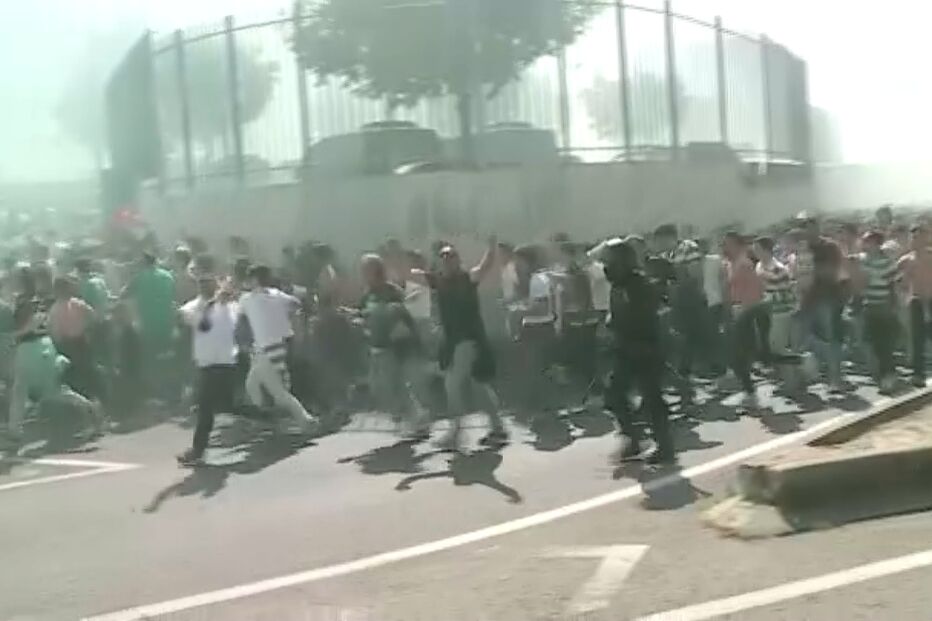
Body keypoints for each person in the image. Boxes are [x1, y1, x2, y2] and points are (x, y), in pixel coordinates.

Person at [418, 237, 506, 451]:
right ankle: (497, 428)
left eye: (451, 257)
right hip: (453, 341)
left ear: (458, 260)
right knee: (477, 385)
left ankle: (457, 433)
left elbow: (485, 266)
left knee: (453, 384)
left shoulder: (468, 278)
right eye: (444, 258)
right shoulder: (438, 281)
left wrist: (491, 248)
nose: (448, 260)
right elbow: (414, 274)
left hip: (468, 339)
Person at [603, 239, 674, 464]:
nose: (606, 266)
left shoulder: (640, 285)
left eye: (610, 261)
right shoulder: (617, 286)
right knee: (614, 395)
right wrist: (611, 323)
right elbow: (616, 314)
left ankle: (665, 447)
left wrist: (621, 325)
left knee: (652, 398)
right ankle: (632, 439)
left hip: (645, 349)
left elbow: (644, 316)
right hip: (624, 349)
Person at [5, 299, 103, 443]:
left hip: (31, 351)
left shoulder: (35, 318)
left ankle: (14, 430)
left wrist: (14, 337)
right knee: (56, 390)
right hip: (46, 349)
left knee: (21, 391)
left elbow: (21, 334)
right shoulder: (41, 317)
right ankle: (91, 411)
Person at [237, 265, 318, 434]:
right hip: (277, 346)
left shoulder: (247, 299)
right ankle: (265, 418)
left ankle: (305, 419)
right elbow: (297, 303)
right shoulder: (277, 294)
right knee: (252, 384)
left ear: (254, 280)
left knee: (277, 391)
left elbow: (237, 314)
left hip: (265, 349)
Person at [359, 254, 431, 439]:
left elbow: (403, 314)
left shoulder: (390, 290)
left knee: (394, 385)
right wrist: (357, 317)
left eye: (366, 270)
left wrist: (414, 338)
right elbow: (364, 314)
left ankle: (416, 419)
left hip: (392, 345)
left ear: (376, 270)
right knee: (381, 386)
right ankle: (414, 417)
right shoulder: (368, 293)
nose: (363, 273)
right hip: (376, 344)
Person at [176, 274, 240, 466]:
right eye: (203, 284)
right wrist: (212, 304)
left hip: (229, 361)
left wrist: (232, 295)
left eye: (212, 283)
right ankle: (198, 450)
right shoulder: (192, 307)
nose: (209, 287)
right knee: (206, 408)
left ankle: (274, 418)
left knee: (230, 406)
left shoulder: (230, 306)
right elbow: (204, 326)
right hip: (208, 364)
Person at [121, 252, 176, 396]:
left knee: (149, 357)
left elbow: (124, 294)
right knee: (166, 355)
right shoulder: (168, 276)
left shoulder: (139, 277)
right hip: (166, 322)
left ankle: (151, 391)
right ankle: (168, 388)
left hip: (147, 324)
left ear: (144, 263)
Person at [722, 232, 764, 407]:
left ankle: (751, 393)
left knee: (738, 355)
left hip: (745, 313)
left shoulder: (744, 264)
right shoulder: (731, 264)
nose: (725, 247)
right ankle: (749, 391)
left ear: (738, 245)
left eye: (728, 244)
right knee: (736, 356)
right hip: (736, 312)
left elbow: (755, 291)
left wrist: (743, 310)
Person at [857, 231, 900, 393]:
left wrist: (893, 305)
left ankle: (888, 375)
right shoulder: (863, 260)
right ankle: (883, 374)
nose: (864, 244)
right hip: (869, 305)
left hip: (883, 306)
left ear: (876, 243)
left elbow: (893, 285)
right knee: (873, 342)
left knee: (884, 343)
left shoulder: (887, 262)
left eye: (867, 241)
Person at [48, 276, 100, 401]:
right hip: (81, 343)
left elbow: (55, 333)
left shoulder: (55, 309)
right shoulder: (78, 304)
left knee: (72, 379)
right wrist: (86, 328)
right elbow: (94, 317)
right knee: (86, 376)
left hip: (66, 346)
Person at [898, 223, 932, 387]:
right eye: (913, 237)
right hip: (916, 301)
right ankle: (918, 374)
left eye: (919, 236)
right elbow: (898, 280)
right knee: (917, 339)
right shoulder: (906, 260)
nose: (915, 240)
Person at [754, 237, 795, 356]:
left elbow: (785, 292)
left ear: (766, 250)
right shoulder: (758, 266)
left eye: (757, 249)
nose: (755, 252)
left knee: (777, 345)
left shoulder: (778, 269)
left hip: (779, 311)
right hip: (764, 311)